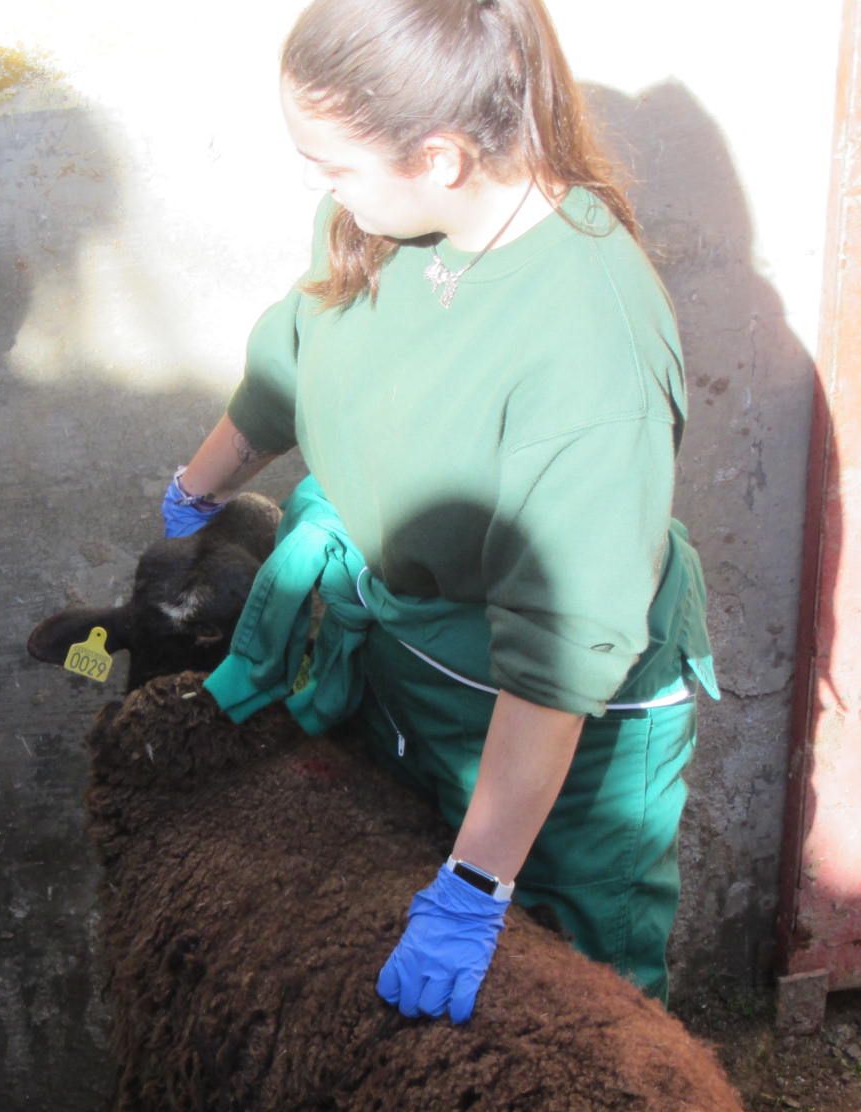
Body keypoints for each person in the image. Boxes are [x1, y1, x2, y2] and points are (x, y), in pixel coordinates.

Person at [163, 0, 719, 1022]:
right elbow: (298, 350)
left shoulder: (589, 344)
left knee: (577, 997)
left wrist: (473, 887)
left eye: (331, 163)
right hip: (415, 663)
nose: (317, 187)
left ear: (442, 155)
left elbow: (560, 642)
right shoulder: (384, 222)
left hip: (561, 725)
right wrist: (200, 483)